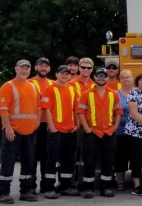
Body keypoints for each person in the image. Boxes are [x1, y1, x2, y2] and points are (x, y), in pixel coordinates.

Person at [0, 60, 43, 204]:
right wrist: (8, 128)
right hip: (14, 132)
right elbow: (3, 110)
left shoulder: (33, 87)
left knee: (29, 162)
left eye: (27, 69)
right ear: (16, 69)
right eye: (22, 68)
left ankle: (26, 190)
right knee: (8, 161)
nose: (24, 71)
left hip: (30, 132)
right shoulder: (8, 86)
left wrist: (36, 123)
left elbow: (38, 108)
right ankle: (4, 192)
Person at [76, 66, 124, 198]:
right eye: (99, 76)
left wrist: (115, 127)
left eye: (104, 76)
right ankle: (88, 188)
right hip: (92, 133)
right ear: (95, 78)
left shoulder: (114, 94)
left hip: (108, 132)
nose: (101, 78)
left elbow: (118, 112)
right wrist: (86, 128)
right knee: (89, 161)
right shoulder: (86, 94)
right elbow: (80, 112)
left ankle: (106, 187)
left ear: (107, 78)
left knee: (108, 160)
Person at [40, 65, 80, 199]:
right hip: (56, 131)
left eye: (67, 74)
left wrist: (77, 124)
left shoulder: (72, 89)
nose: (65, 76)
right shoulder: (49, 89)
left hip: (70, 131)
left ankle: (66, 186)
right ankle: (49, 188)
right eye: (62, 73)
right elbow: (46, 110)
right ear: (56, 74)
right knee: (51, 160)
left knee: (68, 160)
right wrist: (52, 128)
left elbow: (76, 110)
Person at [29, 57, 51, 194]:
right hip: (34, 125)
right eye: (41, 66)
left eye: (46, 66)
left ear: (49, 69)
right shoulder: (29, 83)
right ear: (36, 68)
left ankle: (45, 185)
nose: (43, 68)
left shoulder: (53, 83)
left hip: (49, 125)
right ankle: (30, 185)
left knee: (47, 157)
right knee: (32, 157)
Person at [113, 70, 133, 192]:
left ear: (132, 78)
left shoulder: (138, 92)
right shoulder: (115, 94)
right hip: (120, 130)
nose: (126, 80)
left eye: (128, 77)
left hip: (136, 131)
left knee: (136, 156)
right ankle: (120, 181)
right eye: (123, 78)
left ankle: (136, 180)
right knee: (120, 157)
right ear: (120, 80)